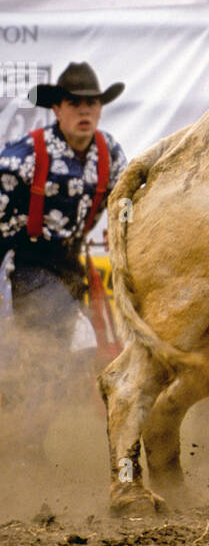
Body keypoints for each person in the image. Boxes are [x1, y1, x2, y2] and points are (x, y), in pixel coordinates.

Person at [0, 61, 126, 459]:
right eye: (75, 103)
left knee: (52, 360)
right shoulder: (21, 159)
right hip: (23, 263)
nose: (85, 111)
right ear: (57, 109)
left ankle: (26, 441)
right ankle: (23, 440)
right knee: (66, 342)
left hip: (71, 266)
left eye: (92, 103)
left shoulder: (111, 155)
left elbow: (128, 208)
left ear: (101, 109)